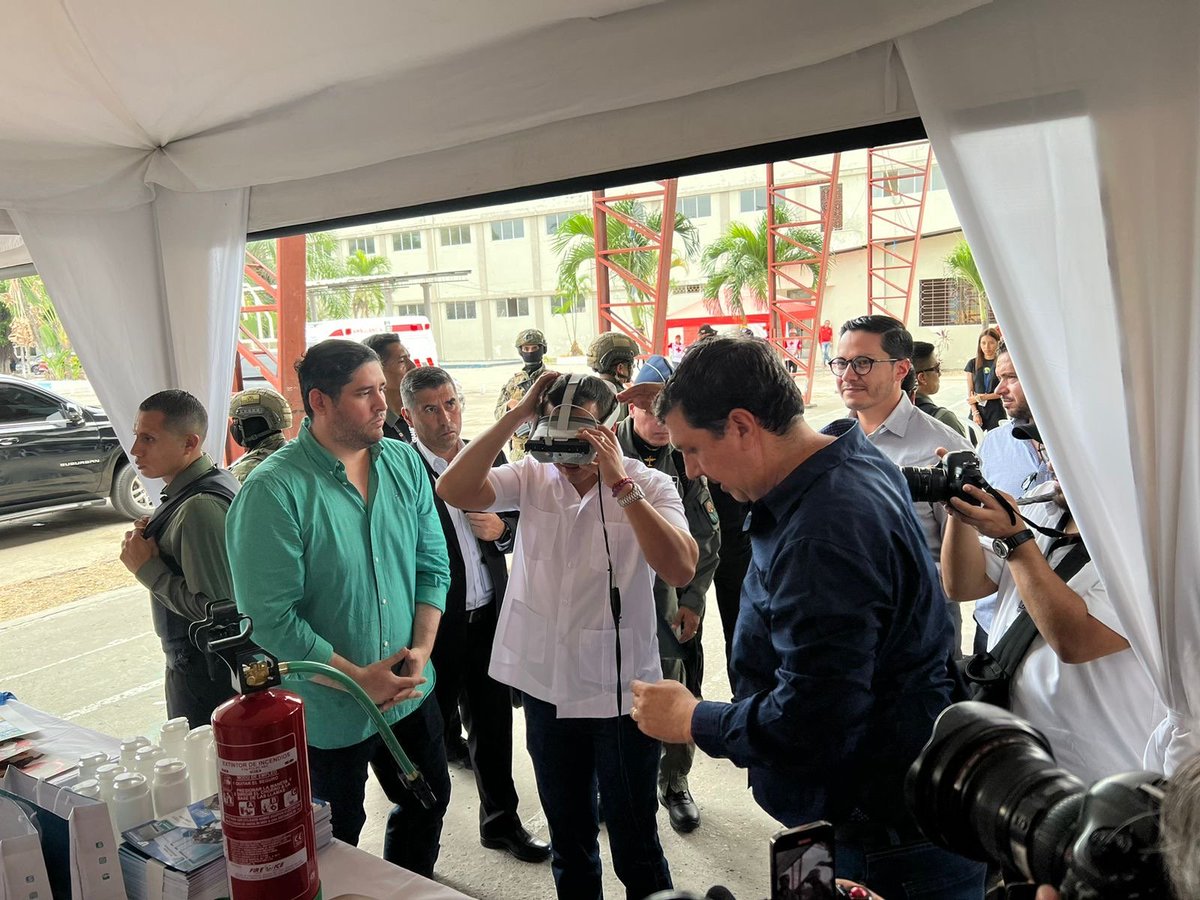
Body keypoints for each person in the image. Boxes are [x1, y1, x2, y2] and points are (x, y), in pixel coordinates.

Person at [625, 336, 984, 900]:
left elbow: (815, 718)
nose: (692, 472)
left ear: (743, 426)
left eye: (694, 449)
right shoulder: (847, 452)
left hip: (878, 838)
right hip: (838, 812)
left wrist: (695, 718)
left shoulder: (823, 530)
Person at [436, 371, 698, 900]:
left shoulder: (648, 484)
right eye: (555, 431)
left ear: (609, 427)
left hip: (623, 691)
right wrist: (517, 416)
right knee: (569, 834)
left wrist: (620, 484)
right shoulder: (533, 474)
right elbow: (454, 488)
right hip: (546, 687)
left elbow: (680, 568)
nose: (566, 449)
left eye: (580, 432)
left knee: (634, 838)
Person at [225, 339, 452, 877]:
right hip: (325, 712)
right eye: (364, 394)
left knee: (428, 801)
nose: (383, 406)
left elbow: (432, 564)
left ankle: (406, 887)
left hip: (409, 688)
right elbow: (271, 617)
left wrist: (421, 650)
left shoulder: (401, 461)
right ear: (319, 401)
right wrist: (355, 680)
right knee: (334, 838)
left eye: (383, 391)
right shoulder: (273, 491)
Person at [941, 362, 1160, 783]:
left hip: (1107, 773)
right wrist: (960, 507)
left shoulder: (1150, 540)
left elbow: (1075, 640)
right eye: (1043, 447)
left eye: (1063, 449)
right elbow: (963, 585)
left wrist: (1018, 543)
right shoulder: (1041, 504)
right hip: (1025, 763)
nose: (1050, 460)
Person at [400, 365, 551, 864]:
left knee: (493, 726)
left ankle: (500, 821)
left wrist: (500, 532)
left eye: (451, 403)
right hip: (433, 627)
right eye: (430, 408)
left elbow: (515, 524)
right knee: (426, 735)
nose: (445, 417)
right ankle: (419, 842)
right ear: (408, 415)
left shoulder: (485, 454)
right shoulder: (402, 470)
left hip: (489, 612)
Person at [615, 355, 720, 834]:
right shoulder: (602, 449)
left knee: (672, 683)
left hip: (665, 600)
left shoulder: (685, 451)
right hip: (607, 598)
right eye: (649, 411)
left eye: (666, 412)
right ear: (630, 406)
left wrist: (694, 600)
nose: (659, 424)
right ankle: (612, 784)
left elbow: (707, 538)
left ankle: (674, 781)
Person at [833, 315, 972, 653]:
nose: (849, 375)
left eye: (863, 363)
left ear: (901, 369)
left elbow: (969, 563)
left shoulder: (943, 448)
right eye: (841, 363)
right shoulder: (831, 440)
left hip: (918, 631)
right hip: (842, 624)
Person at [118, 390, 240, 729]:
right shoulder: (205, 486)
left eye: (149, 438)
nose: (135, 450)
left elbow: (222, 616)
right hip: (204, 672)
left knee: (208, 779)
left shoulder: (199, 506)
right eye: (136, 436)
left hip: (207, 678)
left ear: (189, 443)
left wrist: (148, 570)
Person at [970, 341, 1052, 652]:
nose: (1000, 389)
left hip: (1063, 625)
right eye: (999, 378)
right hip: (995, 621)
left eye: (1012, 378)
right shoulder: (993, 444)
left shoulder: (1092, 446)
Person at [494, 328, 547, 460]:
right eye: (526, 348)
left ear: (542, 349)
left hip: (546, 448)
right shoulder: (513, 383)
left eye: (534, 348)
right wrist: (509, 406)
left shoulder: (553, 379)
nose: (530, 352)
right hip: (519, 452)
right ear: (520, 351)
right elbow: (497, 414)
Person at [909, 341, 970, 443]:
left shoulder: (885, 415)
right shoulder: (943, 419)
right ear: (922, 377)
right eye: (937, 368)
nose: (940, 373)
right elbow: (966, 458)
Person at [228, 387, 292, 482]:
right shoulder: (290, 453)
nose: (233, 426)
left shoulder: (246, 471)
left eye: (236, 421)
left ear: (251, 425)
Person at [361, 331, 415, 442]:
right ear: (378, 370)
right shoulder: (373, 427)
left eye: (409, 358)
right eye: (401, 361)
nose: (413, 366)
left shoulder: (417, 415)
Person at [965, 328, 1006, 432]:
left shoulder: (1002, 363)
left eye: (991, 343)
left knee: (997, 444)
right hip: (977, 411)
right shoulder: (972, 364)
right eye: (983, 343)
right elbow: (970, 393)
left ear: (998, 343)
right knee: (971, 444)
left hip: (996, 411)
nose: (986, 347)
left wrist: (982, 397)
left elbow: (1003, 391)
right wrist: (975, 413)